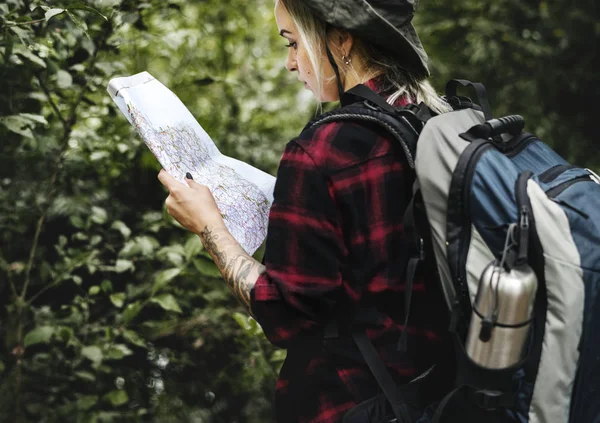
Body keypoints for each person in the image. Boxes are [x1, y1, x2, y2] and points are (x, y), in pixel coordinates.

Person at [158, 1, 454, 422]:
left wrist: (209, 226)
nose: (290, 64)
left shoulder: (322, 153)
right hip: (438, 392)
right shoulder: (429, 118)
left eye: (294, 43)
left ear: (341, 38)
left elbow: (286, 315)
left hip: (354, 402)